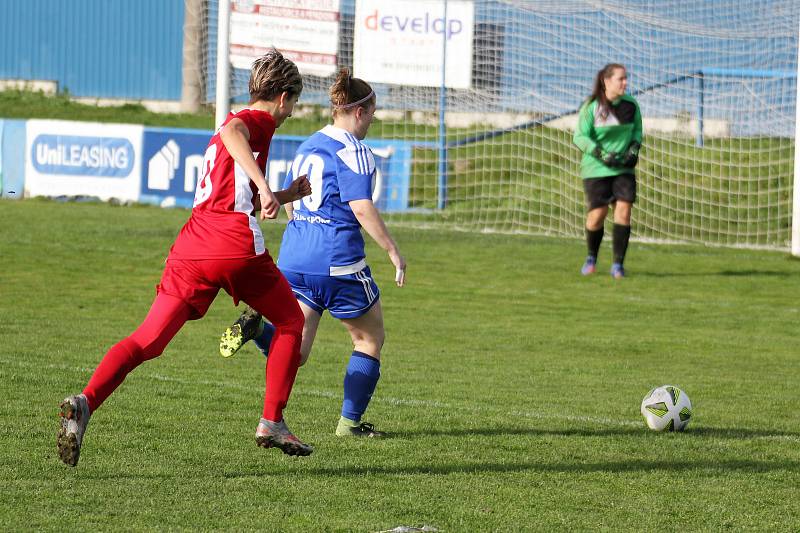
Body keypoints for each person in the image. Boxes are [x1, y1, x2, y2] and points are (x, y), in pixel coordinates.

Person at [57, 50, 315, 466]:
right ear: (283, 97)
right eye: (294, 104)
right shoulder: (255, 122)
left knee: (148, 340)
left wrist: (280, 195)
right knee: (290, 321)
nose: (289, 113)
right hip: (230, 243)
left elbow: (233, 188)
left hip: (193, 244)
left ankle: (86, 402)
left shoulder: (243, 129)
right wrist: (266, 185)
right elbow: (232, 131)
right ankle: (272, 420)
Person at [218, 68, 406, 438]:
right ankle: (349, 425)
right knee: (369, 338)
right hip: (338, 262)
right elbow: (361, 206)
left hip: (295, 257)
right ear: (358, 112)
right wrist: (393, 251)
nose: (372, 121)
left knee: (297, 351)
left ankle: (258, 332)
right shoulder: (357, 152)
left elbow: (293, 200)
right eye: (371, 113)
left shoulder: (308, 146)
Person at [573, 63, 643, 279]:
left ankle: (617, 266)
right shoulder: (592, 106)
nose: (625, 83)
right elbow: (579, 137)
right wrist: (601, 154)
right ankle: (591, 257)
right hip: (596, 169)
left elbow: (637, 131)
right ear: (606, 81)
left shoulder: (631, 105)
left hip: (623, 169)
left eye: (626, 78)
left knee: (623, 211)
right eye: (620, 79)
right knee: (597, 216)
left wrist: (634, 148)